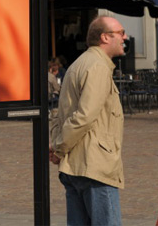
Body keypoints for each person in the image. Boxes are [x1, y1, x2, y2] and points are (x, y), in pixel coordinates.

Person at [49, 16, 127, 226]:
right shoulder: (97, 67)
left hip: (77, 164)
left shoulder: (80, 63)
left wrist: (58, 145)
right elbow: (83, 116)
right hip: (94, 166)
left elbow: (62, 114)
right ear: (104, 37)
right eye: (120, 32)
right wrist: (58, 147)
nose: (125, 37)